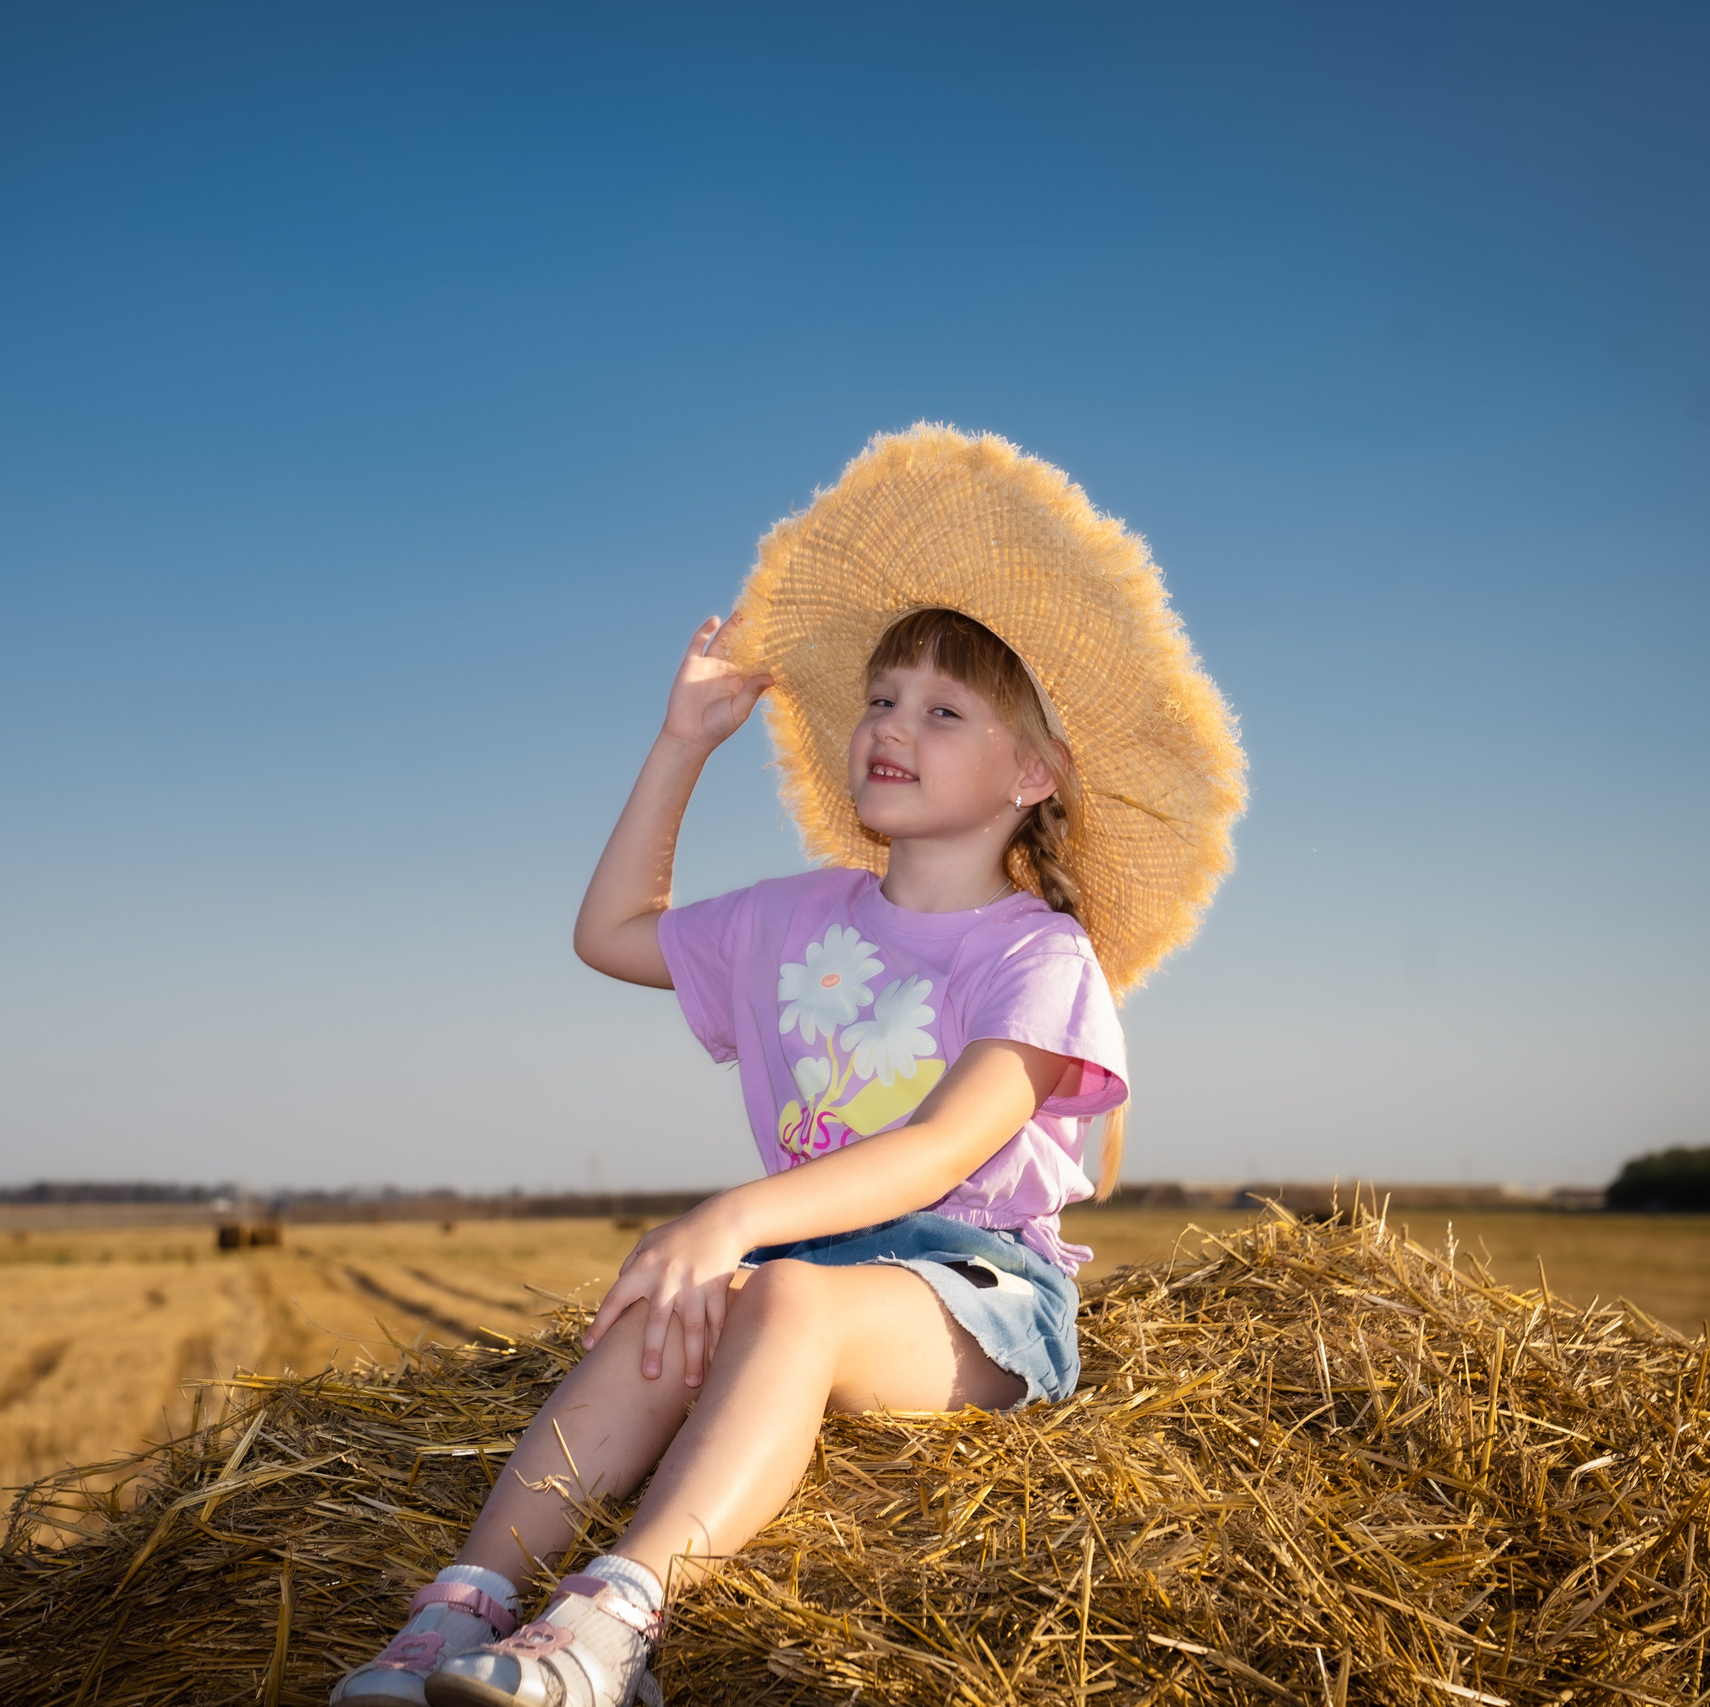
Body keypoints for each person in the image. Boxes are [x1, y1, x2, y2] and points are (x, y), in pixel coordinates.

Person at [331, 425, 1245, 1707]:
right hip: (805, 1263)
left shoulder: (1040, 957)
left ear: (1034, 776)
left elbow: (941, 1148)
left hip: (975, 1288)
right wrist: (681, 744)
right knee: (668, 1321)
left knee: (776, 1298)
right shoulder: (793, 920)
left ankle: (613, 1624)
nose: (889, 722)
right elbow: (610, 935)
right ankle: (459, 1606)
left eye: (943, 709)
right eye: (879, 697)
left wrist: (734, 1217)